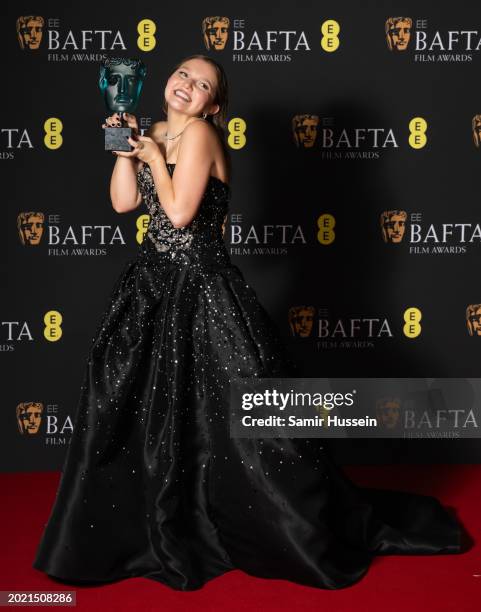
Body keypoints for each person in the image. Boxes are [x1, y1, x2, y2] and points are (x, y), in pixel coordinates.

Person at [33, 54, 464, 591]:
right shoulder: (159, 130)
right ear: (167, 81)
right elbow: (124, 202)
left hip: (204, 289)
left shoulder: (200, 137)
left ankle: (272, 525)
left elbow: (181, 214)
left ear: (214, 104)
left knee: (245, 422)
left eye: (203, 84)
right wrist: (124, 146)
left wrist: (152, 156)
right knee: (140, 409)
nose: (189, 85)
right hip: (151, 287)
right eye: (184, 74)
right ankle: (164, 522)